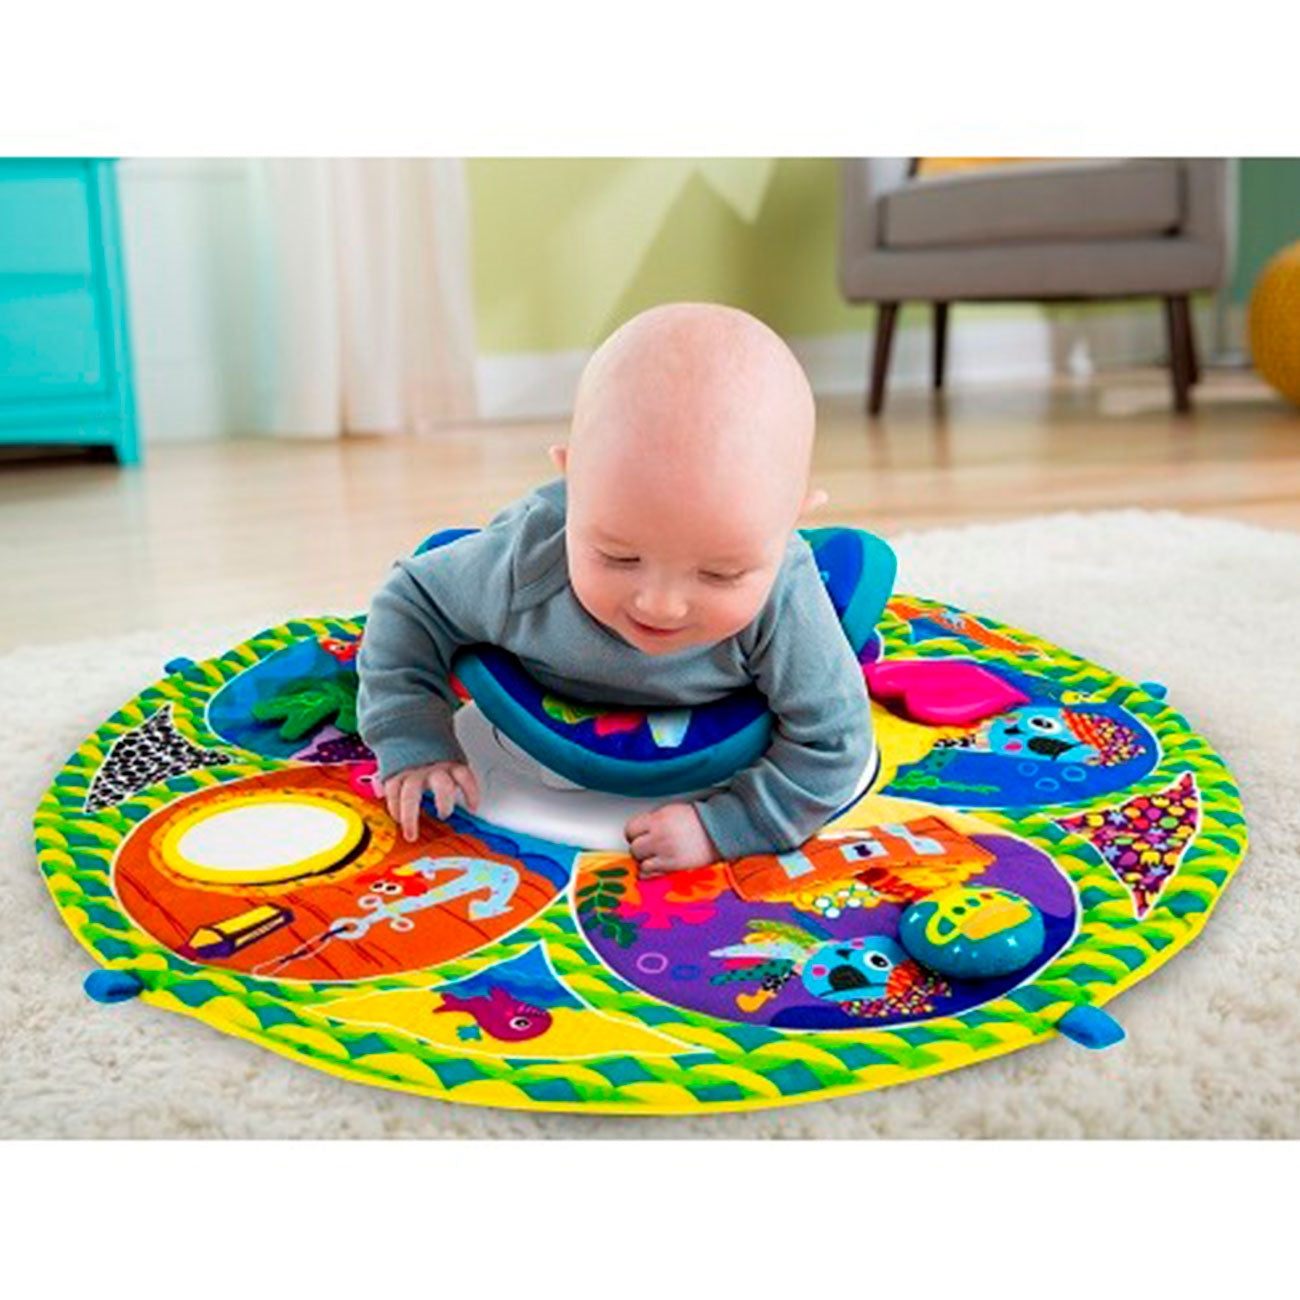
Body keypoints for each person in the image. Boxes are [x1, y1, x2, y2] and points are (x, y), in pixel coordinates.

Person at [357, 302, 878, 873]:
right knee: (462, 575)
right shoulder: (528, 562)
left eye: (720, 573)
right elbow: (410, 602)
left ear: (791, 520)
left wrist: (728, 825)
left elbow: (835, 744)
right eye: (619, 556)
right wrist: (412, 734)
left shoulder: (785, 596)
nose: (661, 605)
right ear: (571, 480)